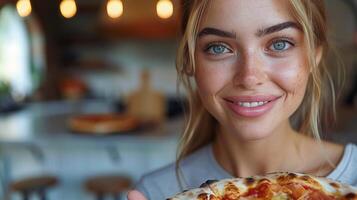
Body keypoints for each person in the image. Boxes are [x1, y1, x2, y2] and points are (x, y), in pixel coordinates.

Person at [128, 0, 357, 199]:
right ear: (190, 61)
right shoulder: (156, 192)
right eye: (218, 48)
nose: (249, 77)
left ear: (314, 53)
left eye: (279, 44)